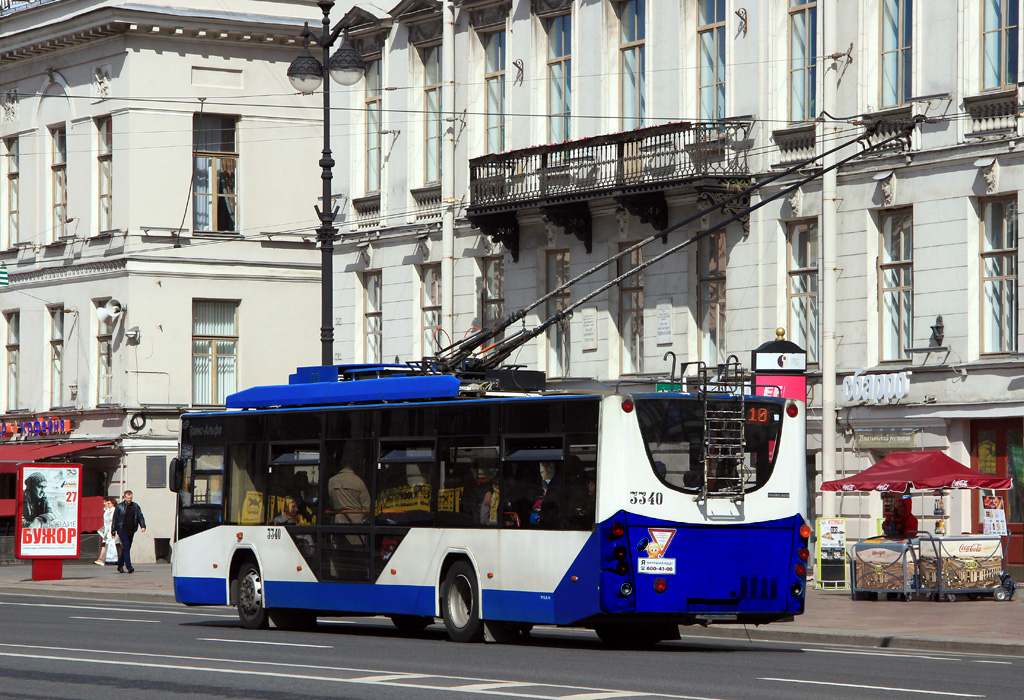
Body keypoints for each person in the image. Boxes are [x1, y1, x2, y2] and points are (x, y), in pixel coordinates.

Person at [111, 490, 146, 574]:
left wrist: (143, 526)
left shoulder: (135, 506)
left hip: (131, 530)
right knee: (126, 546)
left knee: (126, 548)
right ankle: (129, 566)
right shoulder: (119, 507)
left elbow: (140, 516)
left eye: (130, 498)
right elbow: (115, 519)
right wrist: (113, 531)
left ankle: (120, 565)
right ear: (124, 497)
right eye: (128, 498)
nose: (129, 500)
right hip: (122, 529)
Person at [95, 497, 118, 566]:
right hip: (107, 530)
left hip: (110, 530)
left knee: (107, 545)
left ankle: (102, 559)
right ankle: (101, 559)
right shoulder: (108, 510)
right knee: (105, 544)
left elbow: (111, 521)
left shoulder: (113, 510)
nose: (105, 503)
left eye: (107, 502)